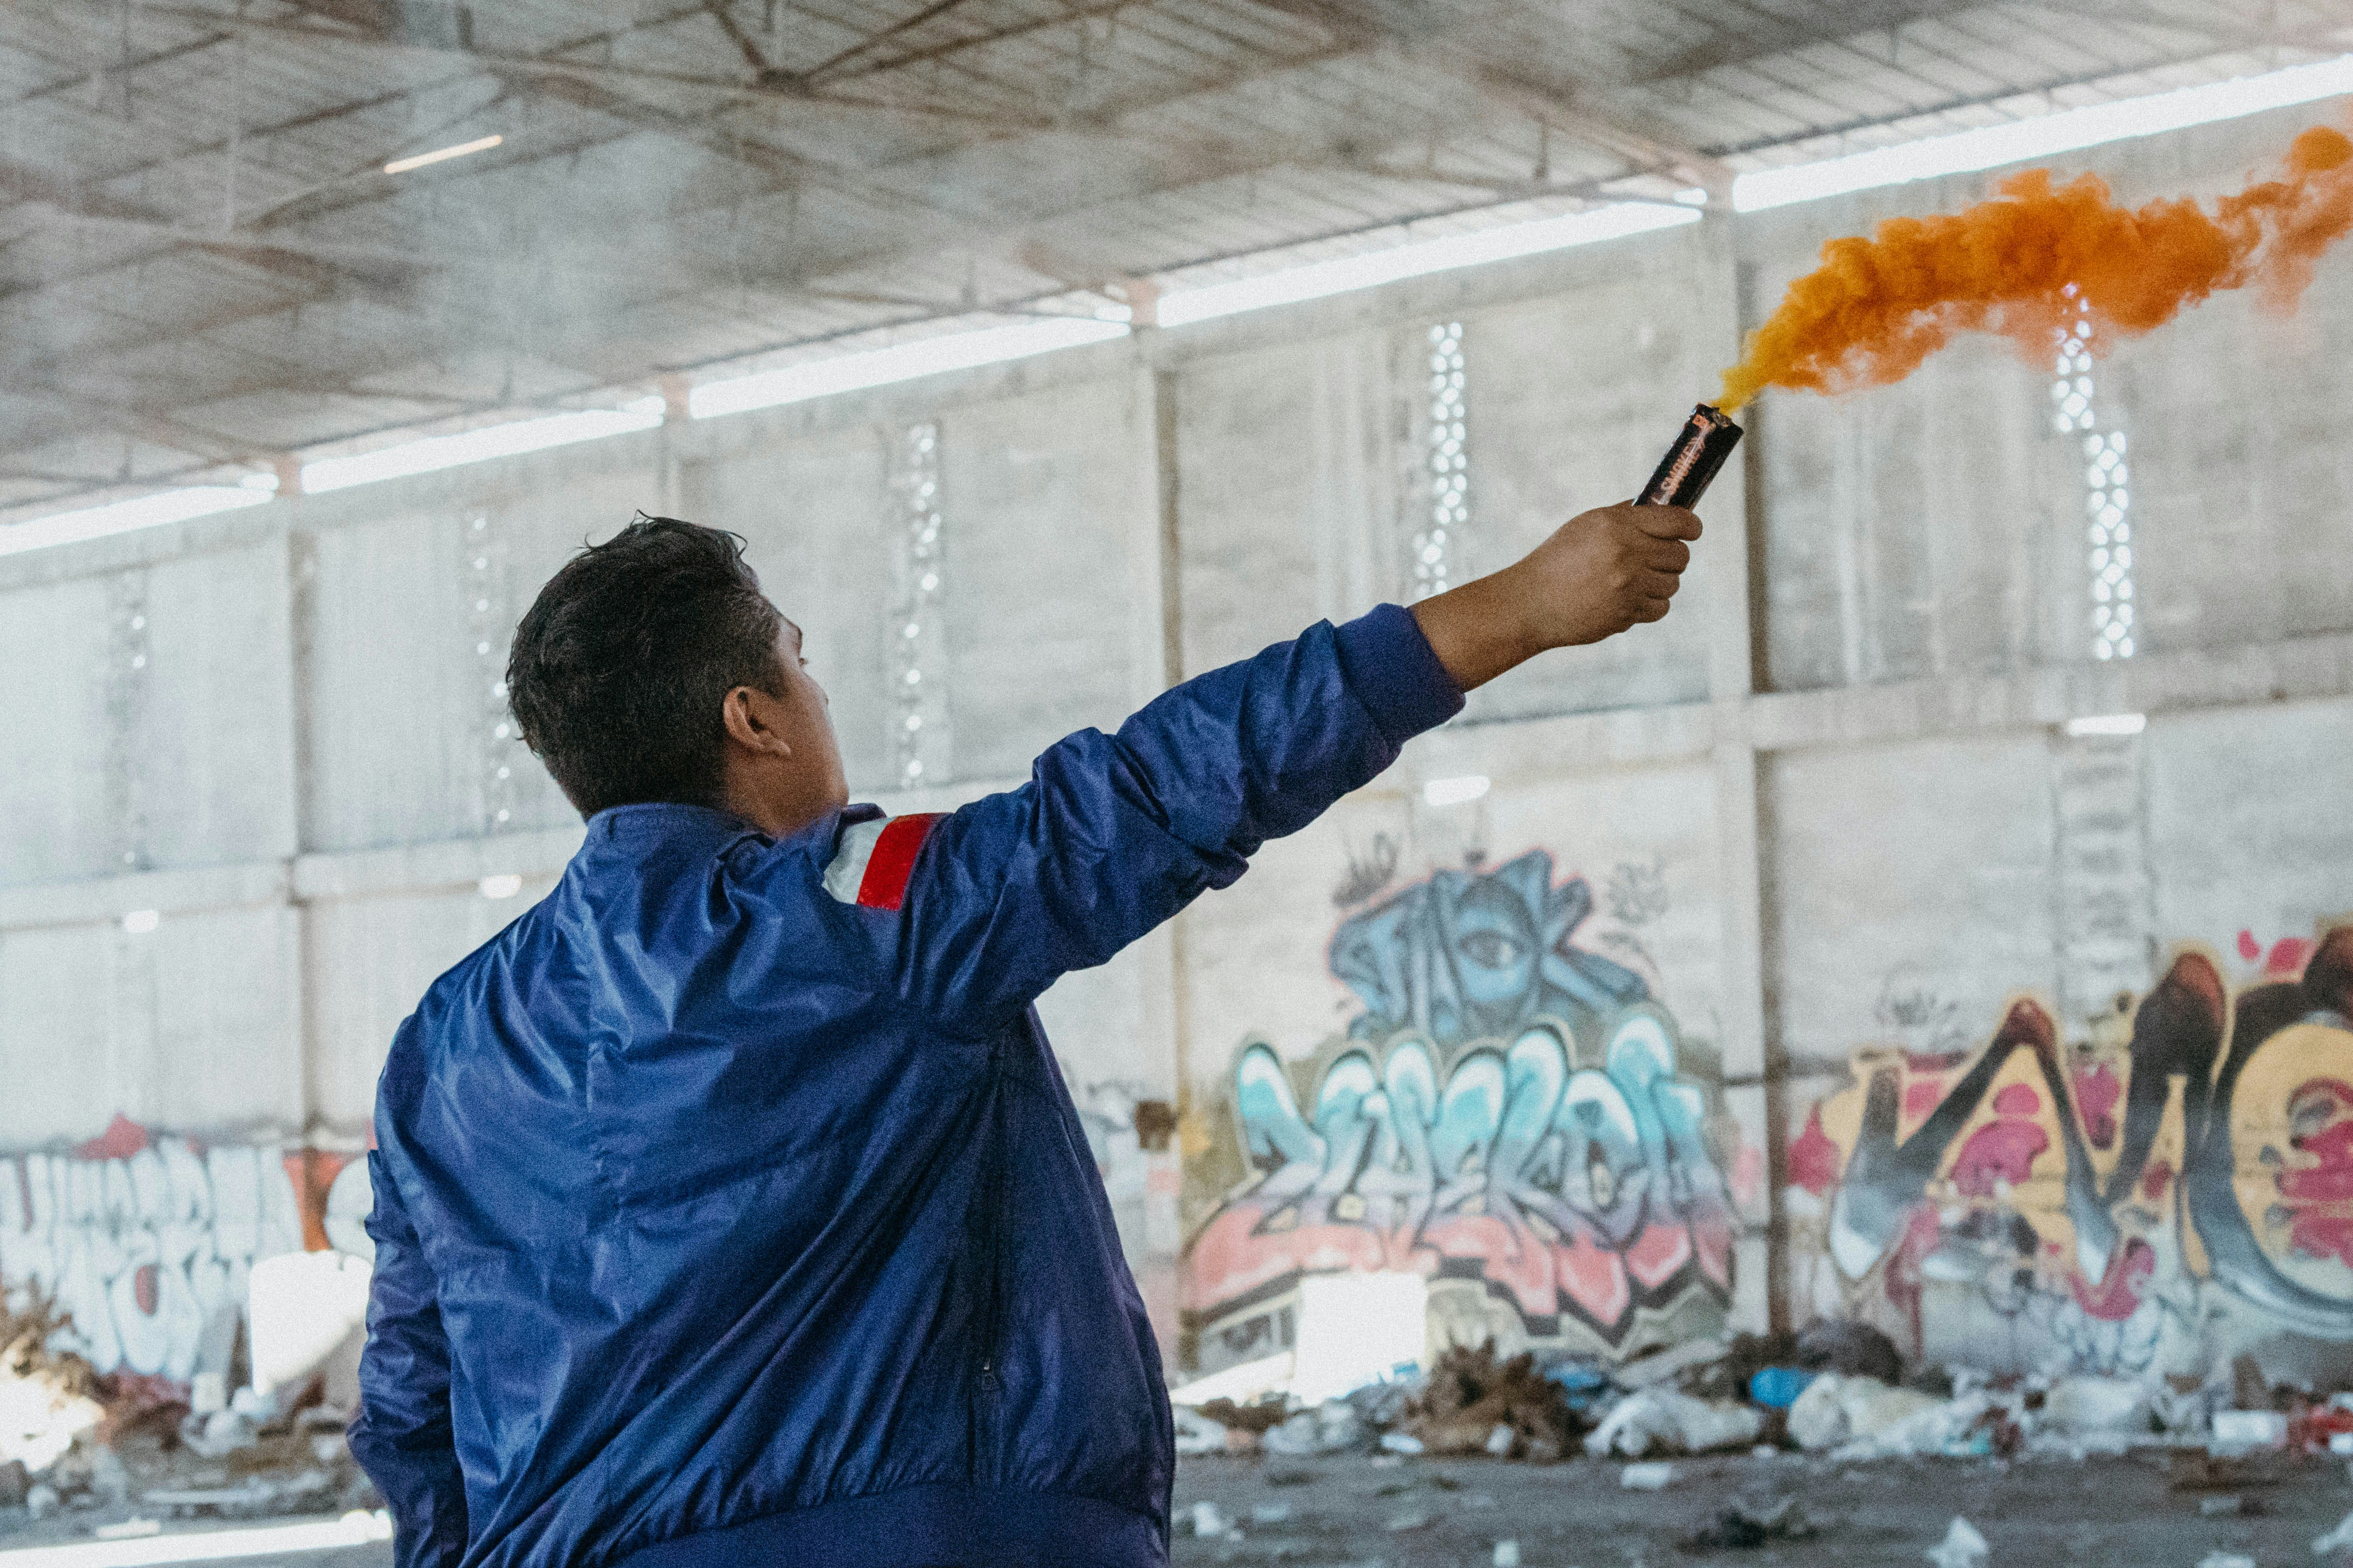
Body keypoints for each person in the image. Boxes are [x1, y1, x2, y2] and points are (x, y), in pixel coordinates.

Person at [350, 497, 1703, 1568]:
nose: (817, 702)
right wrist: (1514, 610)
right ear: (749, 716)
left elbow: (416, 1402)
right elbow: (1132, 801)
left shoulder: (442, 1039)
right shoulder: (849, 911)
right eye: (800, 669)